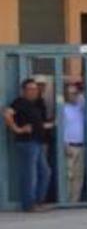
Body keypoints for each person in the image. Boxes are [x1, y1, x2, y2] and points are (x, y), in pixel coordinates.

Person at [5, 78, 52, 212]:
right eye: (30, 89)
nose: (33, 92)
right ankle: (29, 205)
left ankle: (38, 201)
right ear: (24, 91)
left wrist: (51, 124)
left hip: (38, 142)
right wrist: (18, 129)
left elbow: (39, 123)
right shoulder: (19, 102)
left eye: (35, 89)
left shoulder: (36, 104)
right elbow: (7, 114)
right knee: (30, 174)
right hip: (27, 143)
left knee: (45, 172)